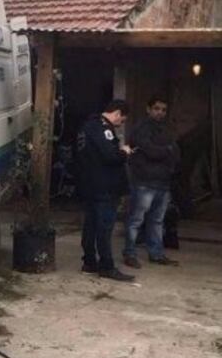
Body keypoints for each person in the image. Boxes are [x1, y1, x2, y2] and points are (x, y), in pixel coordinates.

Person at [77, 100, 135, 283]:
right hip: (105, 186)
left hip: (88, 184)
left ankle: (89, 262)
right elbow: (110, 156)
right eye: (122, 120)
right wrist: (124, 152)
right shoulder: (104, 129)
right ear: (117, 113)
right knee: (104, 227)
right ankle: (106, 266)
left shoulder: (86, 126)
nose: (121, 124)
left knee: (90, 225)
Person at [123, 96, 180, 268]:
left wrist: (167, 154)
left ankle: (156, 253)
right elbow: (150, 151)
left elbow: (176, 151)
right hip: (144, 181)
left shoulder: (166, 129)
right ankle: (130, 253)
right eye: (156, 108)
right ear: (148, 109)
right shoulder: (141, 128)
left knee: (157, 221)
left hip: (162, 182)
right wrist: (167, 151)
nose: (160, 112)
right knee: (136, 220)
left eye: (163, 109)